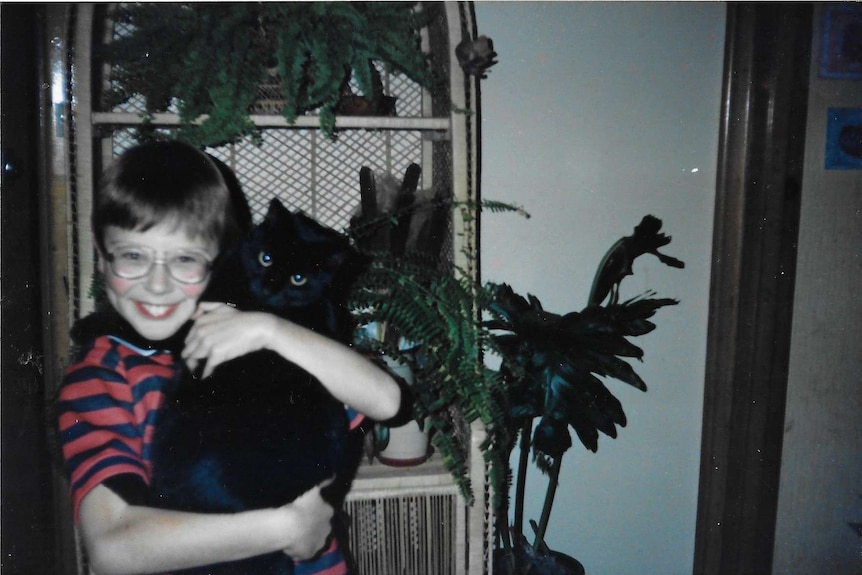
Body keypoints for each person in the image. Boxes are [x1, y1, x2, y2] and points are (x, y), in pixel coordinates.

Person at [56, 141, 401, 575]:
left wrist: (268, 330)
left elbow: (386, 400)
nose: (158, 284)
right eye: (133, 256)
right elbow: (113, 550)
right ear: (103, 262)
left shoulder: (255, 340)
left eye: (184, 259)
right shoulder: (103, 376)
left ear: (220, 260)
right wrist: (283, 528)